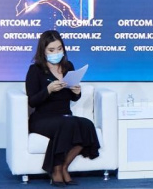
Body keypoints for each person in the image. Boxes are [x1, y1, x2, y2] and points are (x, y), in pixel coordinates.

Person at [25, 30, 100, 187]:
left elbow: (73, 98)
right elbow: (32, 101)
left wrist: (76, 92)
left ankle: (64, 166)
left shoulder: (68, 66)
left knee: (86, 125)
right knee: (67, 124)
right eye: (51, 50)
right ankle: (56, 170)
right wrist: (48, 90)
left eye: (59, 49)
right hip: (42, 118)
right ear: (43, 51)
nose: (56, 53)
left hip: (64, 115)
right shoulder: (35, 70)